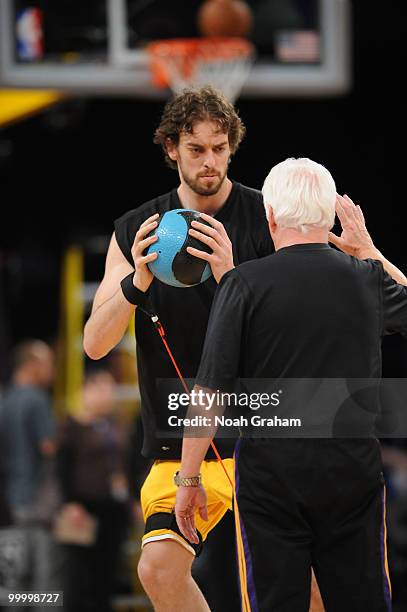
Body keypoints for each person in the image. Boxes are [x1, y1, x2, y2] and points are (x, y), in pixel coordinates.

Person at [175, 158, 407, 612]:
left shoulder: (243, 283)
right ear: (329, 216)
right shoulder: (366, 279)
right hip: (351, 470)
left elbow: (209, 394)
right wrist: (369, 251)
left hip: (270, 474)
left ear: (272, 217)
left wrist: (188, 478)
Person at [83, 85, 275, 612]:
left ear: (232, 147)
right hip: (178, 442)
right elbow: (95, 345)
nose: (209, 161)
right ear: (171, 148)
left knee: (298, 585)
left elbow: (293, 333)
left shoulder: (268, 219)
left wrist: (231, 277)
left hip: (266, 436)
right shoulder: (135, 231)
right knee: (159, 570)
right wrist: (137, 281)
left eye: (219, 147)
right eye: (196, 149)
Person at [56, 368, 131, 612]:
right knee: (78, 573)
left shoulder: (114, 424)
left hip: (114, 506)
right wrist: (70, 503)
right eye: (100, 388)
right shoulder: (73, 425)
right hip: (83, 507)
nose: (107, 394)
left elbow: (127, 463)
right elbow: (62, 468)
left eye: (110, 388)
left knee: (107, 571)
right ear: (86, 391)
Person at [0, 340, 58, 607]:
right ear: (32, 365)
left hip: (12, 500)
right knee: (43, 577)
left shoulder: (6, 399)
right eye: (48, 363)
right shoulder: (36, 399)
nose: (52, 370)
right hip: (38, 502)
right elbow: (49, 447)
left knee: (15, 575)